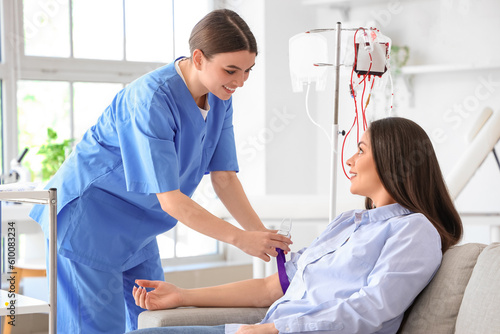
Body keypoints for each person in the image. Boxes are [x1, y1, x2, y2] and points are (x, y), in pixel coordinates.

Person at [29, 9, 291, 334]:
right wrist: (240, 239)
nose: (240, 81)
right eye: (231, 70)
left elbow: (224, 177)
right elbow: (171, 200)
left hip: (138, 230)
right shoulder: (151, 99)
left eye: (248, 70)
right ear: (198, 58)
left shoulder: (221, 97)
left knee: (155, 322)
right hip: (88, 222)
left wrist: (263, 239)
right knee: (97, 328)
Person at [128, 117, 463, 334]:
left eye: (360, 150)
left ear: (393, 160)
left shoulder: (414, 231)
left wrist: (275, 331)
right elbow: (273, 288)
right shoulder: (349, 222)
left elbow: (371, 309)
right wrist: (182, 295)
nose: (349, 160)